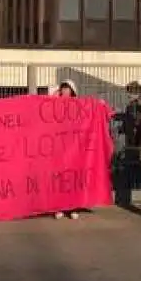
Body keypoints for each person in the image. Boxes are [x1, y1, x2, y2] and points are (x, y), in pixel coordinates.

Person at [53, 80, 80, 220]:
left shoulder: (79, 105)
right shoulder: (53, 104)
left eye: (67, 89)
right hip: (57, 148)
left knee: (72, 178)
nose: (65, 91)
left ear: (72, 91)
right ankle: (59, 207)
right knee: (59, 179)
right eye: (63, 89)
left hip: (73, 148)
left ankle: (73, 207)